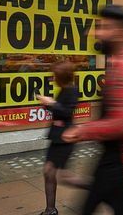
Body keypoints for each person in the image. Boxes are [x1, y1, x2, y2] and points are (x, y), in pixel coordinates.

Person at [62, 5, 123, 215]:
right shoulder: (121, 63)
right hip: (115, 161)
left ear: (119, 32)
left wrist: (81, 131)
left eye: (103, 27)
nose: (95, 33)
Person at [37, 61, 79, 215]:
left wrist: (52, 103)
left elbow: (67, 112)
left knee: (64, 176)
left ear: (62, 76)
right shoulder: (63, 89)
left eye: (55, 75)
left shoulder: (72, 90)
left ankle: (97, 188)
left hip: (65, 138)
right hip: (57, 137)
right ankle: (50, 209)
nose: (53, 78)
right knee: (49, 171)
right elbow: (59, 111)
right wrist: (47, 103)